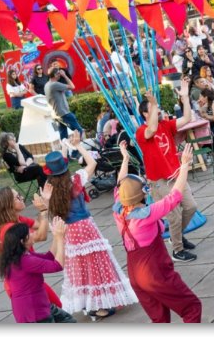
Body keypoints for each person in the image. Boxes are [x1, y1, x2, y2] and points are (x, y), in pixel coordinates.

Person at [45, 131, 138, 318]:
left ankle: (90, 303)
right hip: (85, 227)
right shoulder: (75, 180)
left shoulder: (50, 190)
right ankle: (98, 304)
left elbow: (53, 217)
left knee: (80, 267)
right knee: (96, 263)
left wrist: (47, 201)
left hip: (70, 231)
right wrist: (78, 146)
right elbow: (92, 163)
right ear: (65, 168)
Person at [113, 142, 202, 323]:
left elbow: (120, 183)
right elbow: (174, 196)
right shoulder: (146, 215)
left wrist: (125, 159)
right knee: (192, 307)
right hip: (154, 273)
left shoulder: (119, 210)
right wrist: (184, 165)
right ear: (143, 194)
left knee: (160, 320)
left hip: (135, 275)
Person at [135, 80, 199, 263]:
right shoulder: (141, 131)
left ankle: (176, 236)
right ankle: (177, 250)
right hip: (159, 182)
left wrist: (185, 98)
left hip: (176, 176)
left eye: (157, 107)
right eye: (153, 108)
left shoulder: (165, 124)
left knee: (191, 207)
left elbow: (187, 118)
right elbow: (152, 129)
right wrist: (154, 104)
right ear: (145, 114)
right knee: (174, 216)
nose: (158, 110)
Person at [0, 186, 74, 322]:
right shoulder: (9, 230)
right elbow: (41, 236)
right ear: (8, 204)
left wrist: (46, 205)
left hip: (31, 277)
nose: (22, 198)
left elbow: (41, 228)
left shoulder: (18, 221)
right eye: (17, 197)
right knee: (51, 313)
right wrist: (58, 236)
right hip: (25, 286)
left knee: (56, 308)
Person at [0, 218, 73, 323]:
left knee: (68, 321)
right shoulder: (25, 261)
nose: (33, 232)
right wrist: (60, 239)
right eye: (29, 232)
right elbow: (58, 265)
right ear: (22, 241)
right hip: (33, 311)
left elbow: (49, 257)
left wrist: (56, 237)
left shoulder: (20, 256)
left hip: (37, 306)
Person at [44, 67, 83, 140]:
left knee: (63, 136)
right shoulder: (54, 84)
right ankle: (76, 147)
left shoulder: (47, 84)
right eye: (58, 73)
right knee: (79, 131)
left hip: (56, 114)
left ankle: (65, 147)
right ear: (55, 75)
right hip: (64, 113)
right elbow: (72, 86)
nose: (60, 75)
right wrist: (65, 75)